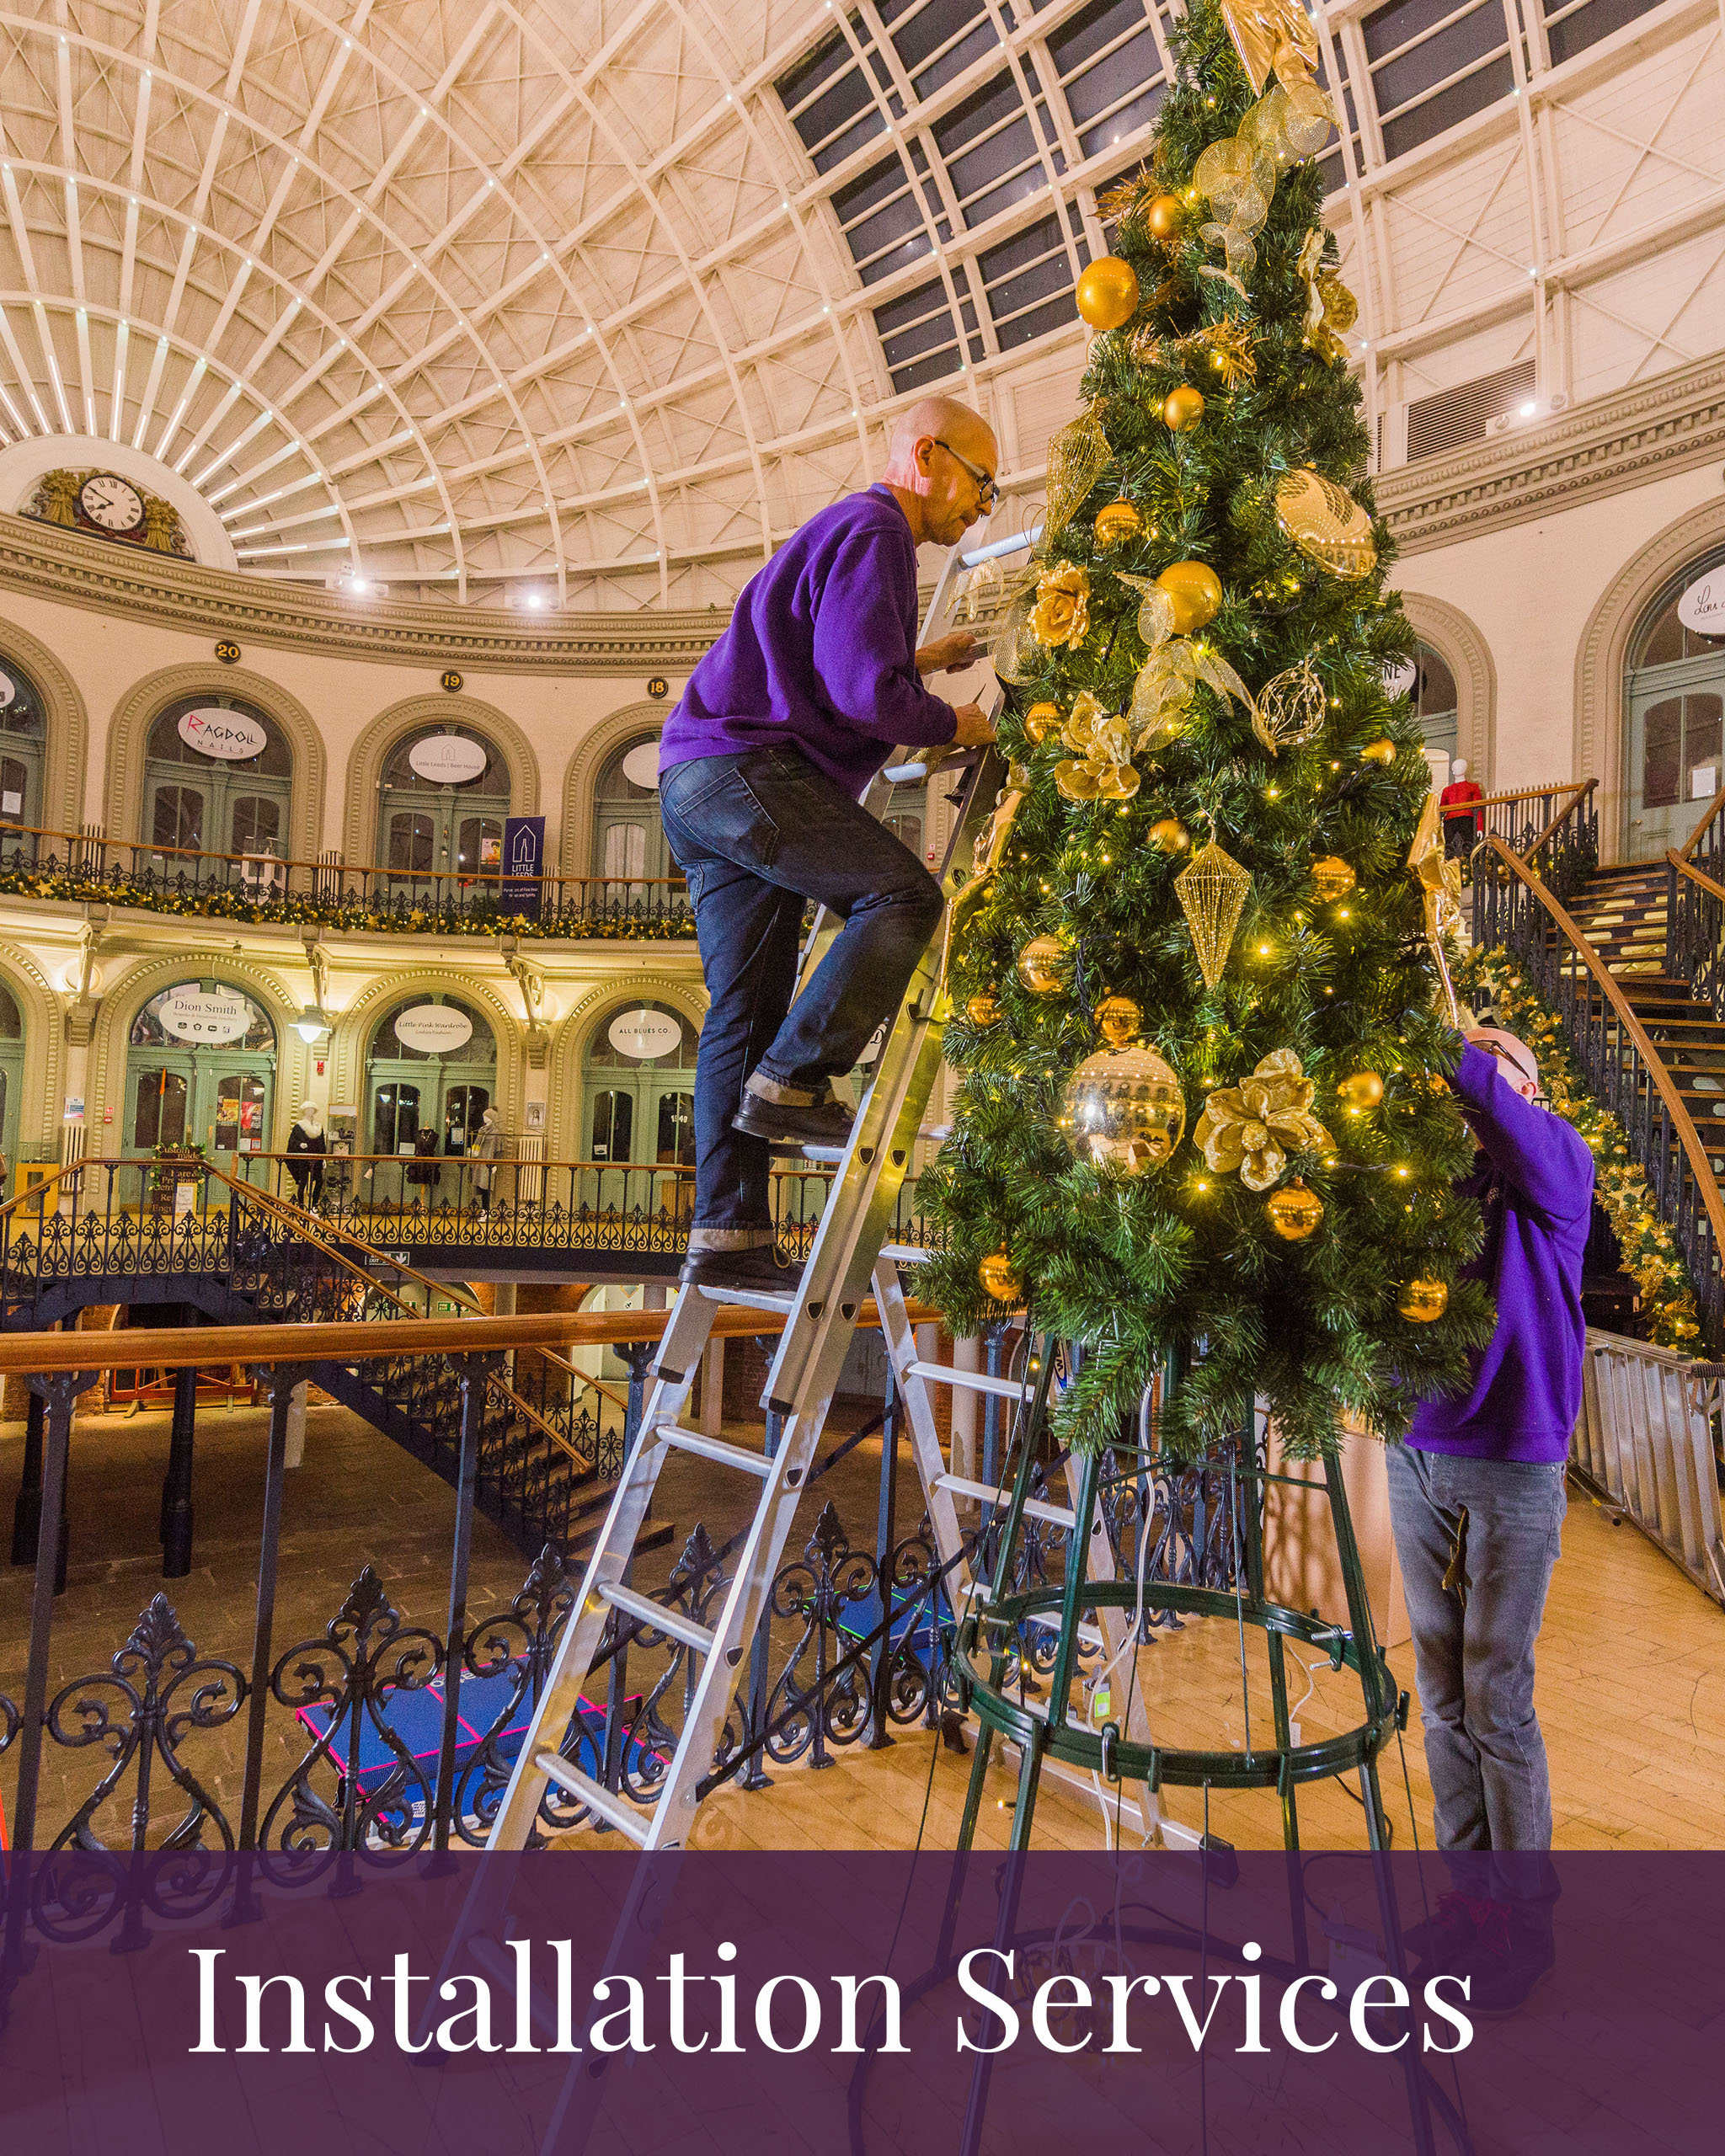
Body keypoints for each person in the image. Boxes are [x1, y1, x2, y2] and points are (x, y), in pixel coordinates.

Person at [658, 395, 1000, 1294]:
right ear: (927, 455)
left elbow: (823, 656)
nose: (982, 508)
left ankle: (724, 1234)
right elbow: (862, 698)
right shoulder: (877, 528)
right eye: (982, 483)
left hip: (697, 784)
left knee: (741, 1013)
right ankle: (796, 1082)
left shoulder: (846, 531)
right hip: (747, 774)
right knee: (904, 898)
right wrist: (953, 721)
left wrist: (915, 667)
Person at [1390, 1025, 1594, 2009]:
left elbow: (1512, 1120)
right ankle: (1466, 1900)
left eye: (1492, 1060)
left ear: (1525, 1086)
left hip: (1513, 1468)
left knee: (1494, 1696)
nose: (1471, 1076)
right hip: (1415, 1454)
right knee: (1437, 1693)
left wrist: (1445, 1041)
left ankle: (1524, 1922)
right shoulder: (1427, 1185)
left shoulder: (1554, 1168)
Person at [1439, 755, 1484, 862]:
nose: (1458, 768)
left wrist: (1479, 827)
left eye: (1461, 766)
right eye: (1456, 766)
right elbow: (1442, 809)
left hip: (1466, 819)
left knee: (1468, 845)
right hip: (1450, 821)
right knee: (1449, 848)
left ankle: (1469, 866)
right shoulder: (1447, 790)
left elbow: (1477, 808)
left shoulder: (1473, 787)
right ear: (1452, 770)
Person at [285, 1100, 327, 1208]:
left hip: (317, 1157)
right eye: (308, 1109)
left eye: (312, 1110)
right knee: (303, 1180)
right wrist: (300, 1145)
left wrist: (324, 1157)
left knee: (319, 1180)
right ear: (304, 1111)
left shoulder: (318, 1126)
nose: (310, 1111)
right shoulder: (300, 1126)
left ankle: (315, 1203)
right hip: (303, 1157)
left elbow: (322, 1142)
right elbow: (293, 1141)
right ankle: (301, 1203)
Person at [472, 1106, 507, 1217]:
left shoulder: (496, 1132)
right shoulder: (482, 1130)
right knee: (481, 1187)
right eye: (484, 1116)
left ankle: (486, 1211)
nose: (484, 1119)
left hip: (488, 1163)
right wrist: (474, 1153)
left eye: (486, 1117)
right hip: (480, 1162)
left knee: (486, 1186)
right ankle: (484, 1210)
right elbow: (477, 1145)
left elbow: (499, 1150)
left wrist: (495, 1163)